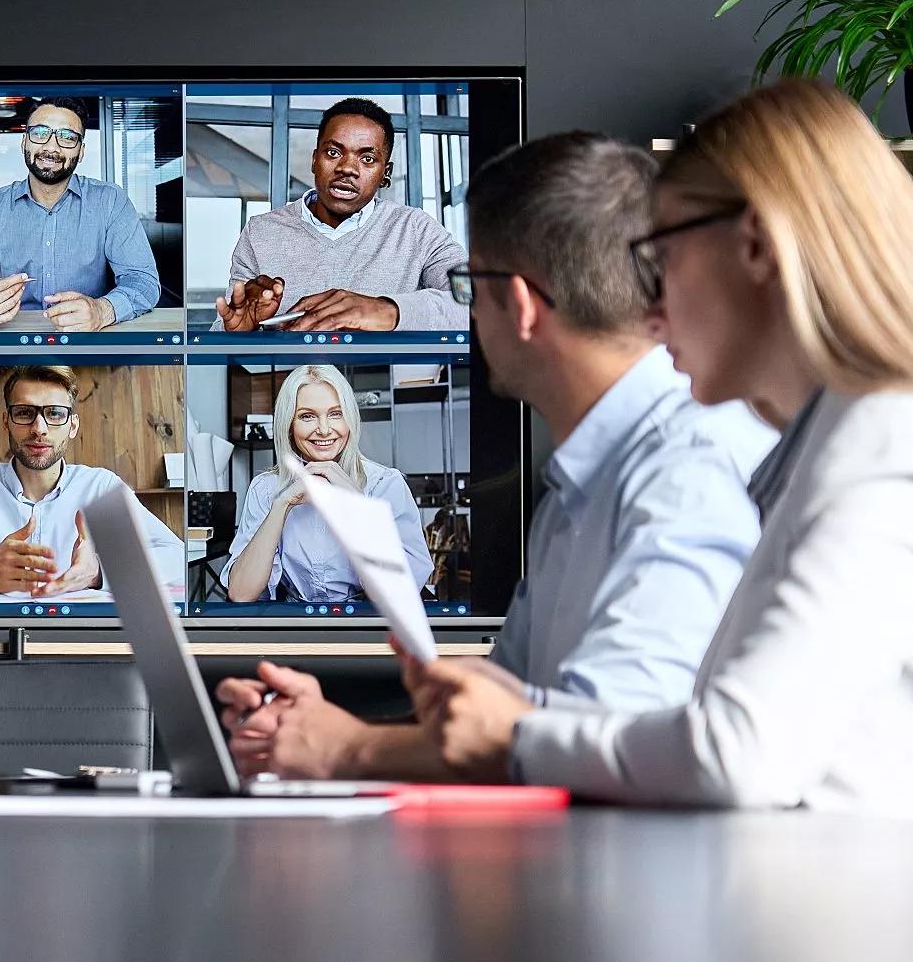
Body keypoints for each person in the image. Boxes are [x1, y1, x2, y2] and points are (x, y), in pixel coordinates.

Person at [404, 83, 913, 812]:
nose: (650, 299)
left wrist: (516, 733)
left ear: (757, 247)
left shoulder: (880, 446)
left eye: (663, 254)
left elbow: (737, 752)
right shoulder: (824, 442)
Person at [219, 132, 775, 781]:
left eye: (468, 284)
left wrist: (344, 750)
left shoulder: (687, 470)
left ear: (518, 304)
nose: (467, 310)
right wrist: (318, 728)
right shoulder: (581, 484)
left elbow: (614, 743)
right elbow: (512, 714)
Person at [0, 365, 182, 594]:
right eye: (25, 413)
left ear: (72, 426)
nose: (39, 429)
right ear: (6, 422)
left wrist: (97, 572)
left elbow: (176, 557)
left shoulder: (101, 487)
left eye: (55, 414)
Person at [215, 97, 466, 332]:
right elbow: (224, 328)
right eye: (333, 153)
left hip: (382, 379)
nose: (347, 168)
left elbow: (479, 302)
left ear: (385, 173)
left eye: (367, 158)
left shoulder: (417, 229)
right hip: (292, 380)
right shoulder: (261, 232)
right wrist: (239, 332)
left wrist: (387, 310)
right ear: (315, 160)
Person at [0, 97, 161, 332]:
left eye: (67, 137)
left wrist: (102, 311)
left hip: (88, 343)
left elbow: (143, 281)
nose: (51, 147)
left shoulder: (111, 201)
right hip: (13, 346)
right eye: (41, 133)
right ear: (24, 142)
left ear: (81, 151)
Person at [221, 363, 434, 604]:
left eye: (335, 413)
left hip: (369, 624)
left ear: (350, 419)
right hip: (297, 626)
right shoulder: (265, 489)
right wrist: (281, 505)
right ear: (289, 426)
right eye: (307, 416)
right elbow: (241, 594)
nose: (324, 430)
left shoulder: (386, 485)